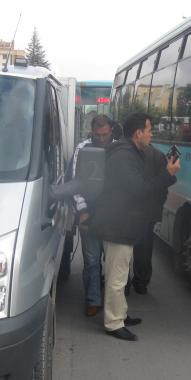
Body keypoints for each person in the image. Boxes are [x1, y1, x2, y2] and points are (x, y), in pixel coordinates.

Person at [89, 112, 180, 341]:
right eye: (149, 130)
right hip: (117, 225)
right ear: (138, 132)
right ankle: (113, 324)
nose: (151, 135)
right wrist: (168, 174)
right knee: (117, 277)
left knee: (119, 274)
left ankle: (120, 314)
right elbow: (141, 189)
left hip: (123, 224)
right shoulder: (124, 155)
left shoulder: (128, 151)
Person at [70, 114, 115, 317]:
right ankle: (93, 299)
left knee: (114, 261)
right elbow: (75, 182)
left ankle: (114, 301)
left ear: (111, 130)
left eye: (105, 134)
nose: (102, 139)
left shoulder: (119, 148)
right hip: (90, 210)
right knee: (91, 259)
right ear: (92, 132)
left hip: (113, 213)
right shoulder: (82, 149)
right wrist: (83, 211)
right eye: (98, 135)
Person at [126, 144, 168, 295]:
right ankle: (141, 282)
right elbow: (163, 186)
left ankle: (124, 283)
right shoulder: (157, 155)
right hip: (148, 211)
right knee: (144, 247)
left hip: (125, 211)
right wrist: (158, 205)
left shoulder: (124, 153)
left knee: (123, 247)